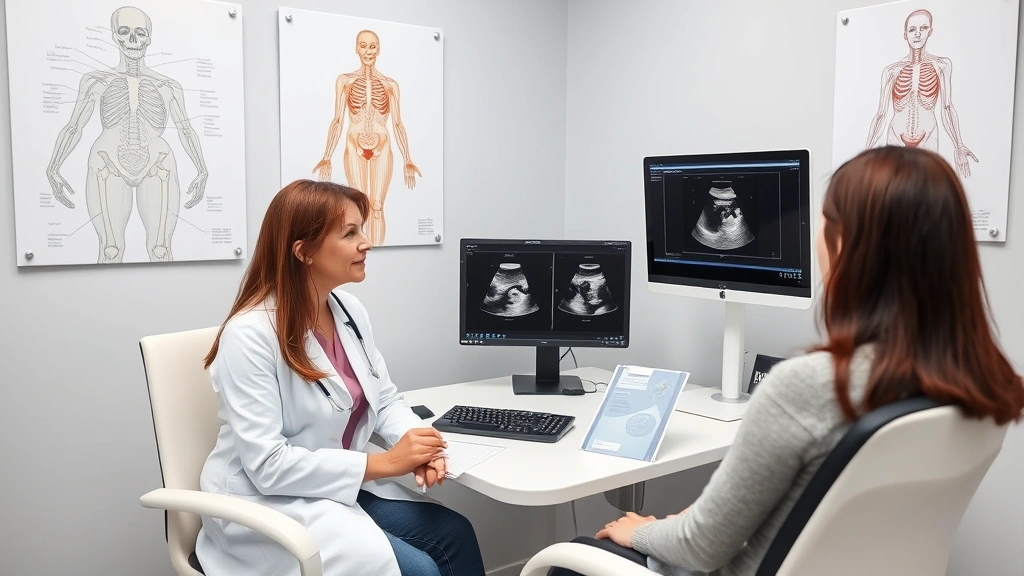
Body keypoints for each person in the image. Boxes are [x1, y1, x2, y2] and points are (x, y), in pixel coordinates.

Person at [549, 146, 1024, 576]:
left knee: (568, 559)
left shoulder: (810, 386)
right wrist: (695, 525)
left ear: (847, 247)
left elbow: (702, 549)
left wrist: (644, 531)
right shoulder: (983, 387)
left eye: (825, 220)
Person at [195, 179, 485, 576]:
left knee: (455, 533)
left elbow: (383, 400)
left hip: (333, 486)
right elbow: (268, 466)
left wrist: (419, 446)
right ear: (304, 252)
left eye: (362, 229)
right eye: (350, 233)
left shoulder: (348, 311)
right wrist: (388, 463)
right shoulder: (249, 335)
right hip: (266, 500)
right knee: (419, 569)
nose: (366, 242)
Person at [46, 6, 209, 263]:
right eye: (125, 32)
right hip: (107, 165)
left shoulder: (168, 86)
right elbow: (74, 127)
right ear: (114, 35)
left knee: (161, 250)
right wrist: (53, 167)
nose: (133, 40)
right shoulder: (95, 81)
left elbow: (186, 129)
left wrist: (202, 169)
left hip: (158, 166)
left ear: (149, 37)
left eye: (140, 33)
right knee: (110, 250)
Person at [312, 29, 421, 246]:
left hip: (383, 146)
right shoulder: (345, 81)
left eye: (372, 46)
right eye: (363, 46)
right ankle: (361, 253)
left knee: (378, 206)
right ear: (356, 49)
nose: (368, 51)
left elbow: (398, 123)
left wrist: (407, 158)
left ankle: (378, 252)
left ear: (378, 50)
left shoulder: (390, 85)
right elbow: (338, 120)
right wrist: (327, 155)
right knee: (360, 208)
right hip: (354, 145)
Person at [865, 9, 978, 178]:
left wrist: (958, 145)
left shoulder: (942, 65)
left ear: (930, 31)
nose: (917, 34)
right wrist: (865, 153)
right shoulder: (891, 71)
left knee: (926, 188)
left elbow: (947, 108)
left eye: (923, 28)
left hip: (928, 136)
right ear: (905, 35)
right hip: (896, 136)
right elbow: (881, 114)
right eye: (912, 30)